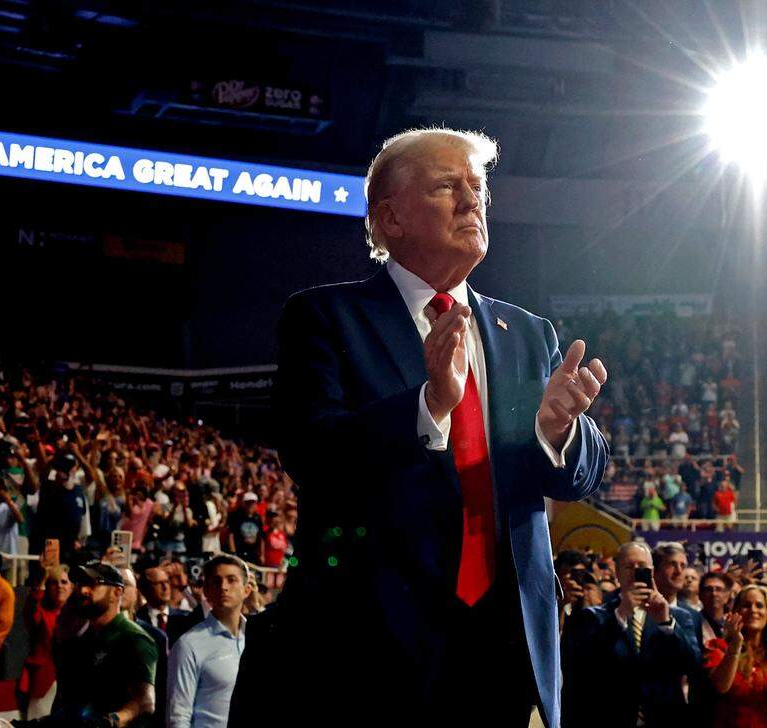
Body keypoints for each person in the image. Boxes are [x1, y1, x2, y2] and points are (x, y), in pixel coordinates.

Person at [233, 127, 608, 728]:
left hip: (504, 643)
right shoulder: (325, 317)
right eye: (446, 186)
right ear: (390, 219)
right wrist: (428, 405)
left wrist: (559, 431)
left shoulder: (529, 333)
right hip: (372, 643)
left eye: (477, 187)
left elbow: (580, 477)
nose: (471, 201)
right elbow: (314, 452)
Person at [561, 542, 699, 727]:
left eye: (641, 567)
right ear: (617, 573)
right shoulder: (594, 616)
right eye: (628, 566)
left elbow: (693, 665)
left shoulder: (679, 616)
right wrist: (621, 615)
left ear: (651, 571)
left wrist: (666, 623)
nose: (635, 572)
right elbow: (583, 668)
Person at [52, 563, 158, 726]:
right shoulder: (83, 641)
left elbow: (145, 702)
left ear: (117, 592)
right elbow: (74, 704)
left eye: (93, 584)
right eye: (81, 584)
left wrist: (111, 721)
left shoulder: (133, 638)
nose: (83, 590)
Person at [167, 555, 251, 728]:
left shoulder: (261, 639)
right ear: (206, 590)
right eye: (216, 581)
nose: (224, 587)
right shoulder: (189, 645)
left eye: (232, 580)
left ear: (247, 590)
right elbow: (178, 715)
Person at [704, 583, 767, 728]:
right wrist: (735, 646)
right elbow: (720, 687)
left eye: (759, 606)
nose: (753, 610)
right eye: (746, 605)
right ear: (735, 612)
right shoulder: (719, 648)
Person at [18, 566, 71, 719]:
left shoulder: (81, 615)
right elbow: (31, 608)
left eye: (64, 582)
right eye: (54, 582)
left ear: (72, 587)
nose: (59, 586)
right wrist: (44, 575)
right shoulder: (41, 612)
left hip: (73, 681)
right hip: (45, 679)